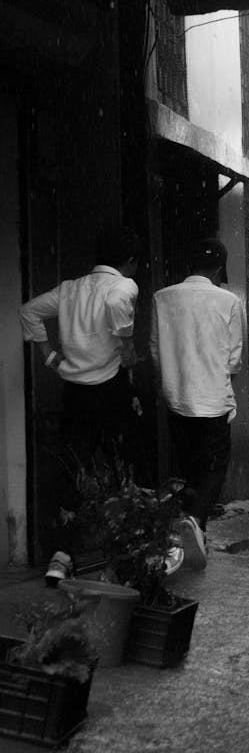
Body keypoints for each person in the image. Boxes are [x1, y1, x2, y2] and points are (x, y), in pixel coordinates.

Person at [19, 226, 142, 583]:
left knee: (75, 469)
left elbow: (28, 311)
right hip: (111, 391)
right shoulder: (124, 286)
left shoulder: (70, 289)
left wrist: (51, 358)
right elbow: (122, 326)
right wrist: (131, 355)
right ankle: (128, 554)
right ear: (130, 261)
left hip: (75, 392)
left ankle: (61, 557)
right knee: (122, 469)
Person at [150, 237, 243, 569]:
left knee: (188, 467)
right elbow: (234, 359)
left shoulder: (163, 298)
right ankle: (194, 521)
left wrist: (173, 383)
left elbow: (155, 349)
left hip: (177, 399)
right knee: (215, 465)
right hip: (213, 399)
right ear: (219, 268)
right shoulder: (228, 301)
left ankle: (193, 532)